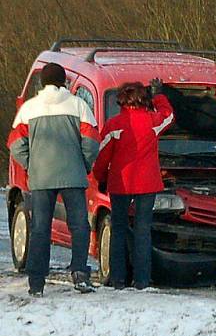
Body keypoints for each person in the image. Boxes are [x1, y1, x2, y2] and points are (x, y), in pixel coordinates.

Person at [7, 62, 100, 295]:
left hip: (41, 177)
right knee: (79, 226)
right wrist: (83, 165)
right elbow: (91, 142)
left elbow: (15, 144)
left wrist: (32, 164)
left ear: (42, 82)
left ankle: (36, 281)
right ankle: (79, 273)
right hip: (73, 176)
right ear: (64, 82)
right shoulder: (79, 106)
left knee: (40, 228)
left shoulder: (29, 108)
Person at [93, 79, 174, 290]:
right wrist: (159, 95)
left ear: (121, 101)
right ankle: (142, 280)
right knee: (143, 230)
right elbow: (169, 115)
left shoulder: (113, 125)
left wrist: (100, 177)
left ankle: (118, 279)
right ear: (143, 100)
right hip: (147, 183)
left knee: (118, 229)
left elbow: (101, 156)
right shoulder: (153, 121)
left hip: (120, 183)